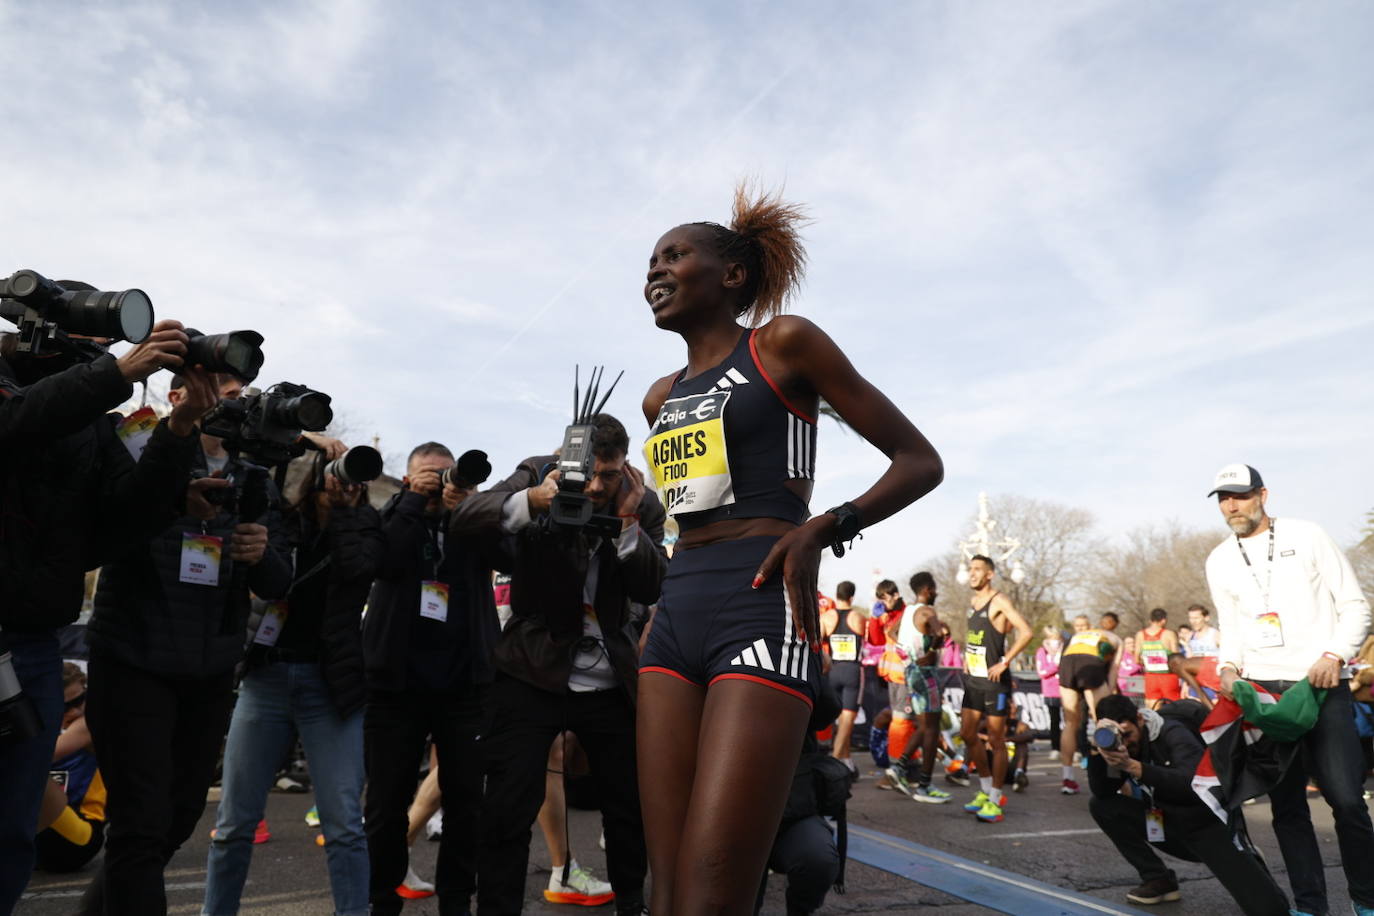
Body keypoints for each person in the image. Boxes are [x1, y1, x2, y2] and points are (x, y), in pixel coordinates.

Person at [636, 185, 943, 913]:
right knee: (665, 887)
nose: (654, 270)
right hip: (674, 617)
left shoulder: (782, 344)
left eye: (674, 255)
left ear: (731, 275)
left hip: (762, 607)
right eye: (649, 260)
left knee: (715, 889)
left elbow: (918, 460)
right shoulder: (659, 397)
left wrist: (825, 525)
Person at [0, 314, 205, 911]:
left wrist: (181, 429)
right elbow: (15, 421)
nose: (101, 349)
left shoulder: (94, 422)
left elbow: (129, 517)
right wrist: (115, 374)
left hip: (32, 645)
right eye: (91, 336)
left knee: (13, 826)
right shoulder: (25, 385)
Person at [80, 371, 291, 916]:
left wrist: (259, 553)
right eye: (219, 386)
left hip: (211, 669)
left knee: (174, 820)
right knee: (140, 823)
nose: (233, 398)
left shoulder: (254, 478)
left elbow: (277, 584)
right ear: (177, 396)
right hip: (134, 657)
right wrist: (177, 495)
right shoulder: (137, 449)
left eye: (239, 391)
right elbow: (110, 528)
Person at [451, 413, 665, 916]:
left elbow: (652, 587)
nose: (594, 486)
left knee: (628, 808)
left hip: (611, 676)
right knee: (507, 806)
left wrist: (629, 522)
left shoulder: (642, 501)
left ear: (624, 468)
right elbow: (463, 520)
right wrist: (533, 500)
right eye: (586, 472)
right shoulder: (537, 472)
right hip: (531, 667)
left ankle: (631, 903)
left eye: (608, 475)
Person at [202, 448, 384, 916]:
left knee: (344, 824)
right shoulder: (281, 517)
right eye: (339, 474)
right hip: (268, 679)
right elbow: (271, 580)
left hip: (333, 687)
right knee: (235, 824)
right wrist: (304, 448)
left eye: (356, 479)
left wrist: (343, 512)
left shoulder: (364, 524)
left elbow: (356, 570)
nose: (347, 483)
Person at [1203, 463, 1374, 916]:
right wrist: (1228, 666)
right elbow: (1233, 625)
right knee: (1288, 808)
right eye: (1222, 498)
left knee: (1346, 800)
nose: (1230, 505)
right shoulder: (1219, 558)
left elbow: (1356, 606)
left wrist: (1334, 654)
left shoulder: (1308, 535)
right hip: (1265, 693)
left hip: (1320, 684)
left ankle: (1367, 899)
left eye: (1239, 495)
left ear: (1263, 494)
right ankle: (1309, 906)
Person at [363, 442, 504, 916]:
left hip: (464, 682)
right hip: (396, 682)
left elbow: (508, 555)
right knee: (386, 805)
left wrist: (469, 514)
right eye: (431, 476)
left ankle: (457, 902)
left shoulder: (471, 521)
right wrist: (410, 503)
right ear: (408, 479)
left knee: (467, 803)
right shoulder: (396, 516)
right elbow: (384, 560)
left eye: (449, 476)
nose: (442, 484)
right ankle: (383, 898)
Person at [1087, 694, 1289, 913]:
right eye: (1118, 738)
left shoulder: (1173, 733)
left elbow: (1191, 785)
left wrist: (1133, 767)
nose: (1124, 743)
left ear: (1140, 719)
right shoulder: (1118, 748)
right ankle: (1158, 879)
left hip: (1206, 825)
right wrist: (1099, 753)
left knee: (1270, 910)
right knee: (1102, 806)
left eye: (1127, 735)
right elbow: (1102, 792)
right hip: (1166, 824)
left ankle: (1246, 855)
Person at [958, 555, 1032, 823]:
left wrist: (1005, 661)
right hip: (974, 678)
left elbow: (1026, 631)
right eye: (971, 569)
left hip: (994, 681)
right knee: (967, 734)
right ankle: (986, 790)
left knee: (997, 740)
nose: (972, 573)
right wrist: (969, 659)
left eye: (977, 569)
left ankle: (996, 799)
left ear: (989, 574)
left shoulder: (998, 600)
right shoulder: (973, 602)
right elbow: (977, 639)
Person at [34, 664, 107, 873]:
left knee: (26, 771)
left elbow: (39, 758)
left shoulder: (88, 724)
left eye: (79, 700)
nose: (75, 710)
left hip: (80, 834)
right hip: (42, 836)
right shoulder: (43, 727)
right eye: (65, 706)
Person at [886, 572, 952, 802]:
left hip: (910, 671)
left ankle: (898, 768)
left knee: (924, 726)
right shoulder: (927, 611)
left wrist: (908, 652)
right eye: (934, 589)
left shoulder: (908, 612)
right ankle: (925, 786)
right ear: (928, 590)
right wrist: (931, 652)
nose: (936, 593)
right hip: (925, 673)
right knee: (932, 729)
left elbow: (891, 633)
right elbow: (940, 633)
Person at [1058, 614, 1122, 795]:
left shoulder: (1076, 636)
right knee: (1103, 720)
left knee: (1071, 722)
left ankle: (1067, 778)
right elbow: (1114, 669)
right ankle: (1110, 778)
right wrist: (1108, 694)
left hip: (1068, 664)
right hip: (1090, 665)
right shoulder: (1115, 638)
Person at [818, 581, 864, 775]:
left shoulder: (826, 617)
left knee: (838, 719)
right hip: (851, 670)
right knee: (847, 719)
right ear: (852, 597)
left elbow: (817, 644)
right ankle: (836, 761)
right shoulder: (858, 617)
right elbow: (866, 640)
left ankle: (845, 760)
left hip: (833, 669)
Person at [873, 581, 913, 792]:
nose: (884, 602)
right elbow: (875, 639)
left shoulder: (907, 613)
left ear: (896, 595)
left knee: (902, 724)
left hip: (905, 676)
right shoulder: (886, 616)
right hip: (893, 677)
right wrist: (874, 617)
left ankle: (897, 770)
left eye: (886, 597)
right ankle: (904, 769)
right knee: (901, 723)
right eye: (880, 599)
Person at [1135, 609, 1181, 709]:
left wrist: (1149, 661)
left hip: (1151, 676)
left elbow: (1136, 659)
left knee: (1152, 711)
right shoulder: (1169, 634)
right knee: (1174, 709)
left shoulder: (1140, 635)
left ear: (1150, 620)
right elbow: (1177, 658)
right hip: (1169, 676)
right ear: (1163, 620)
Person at [1035, 625, 1064, 760]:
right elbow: (1042, 672)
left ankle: (1073, 749)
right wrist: (1055, 665)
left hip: (1066, 689)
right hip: (1050, 691)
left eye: (1056, 638)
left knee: (1071, 721)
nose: (1055, 641)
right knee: (1054, 720)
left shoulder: (1064, 650)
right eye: (1051, 638)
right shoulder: (1042, 652)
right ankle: (1055, 747)